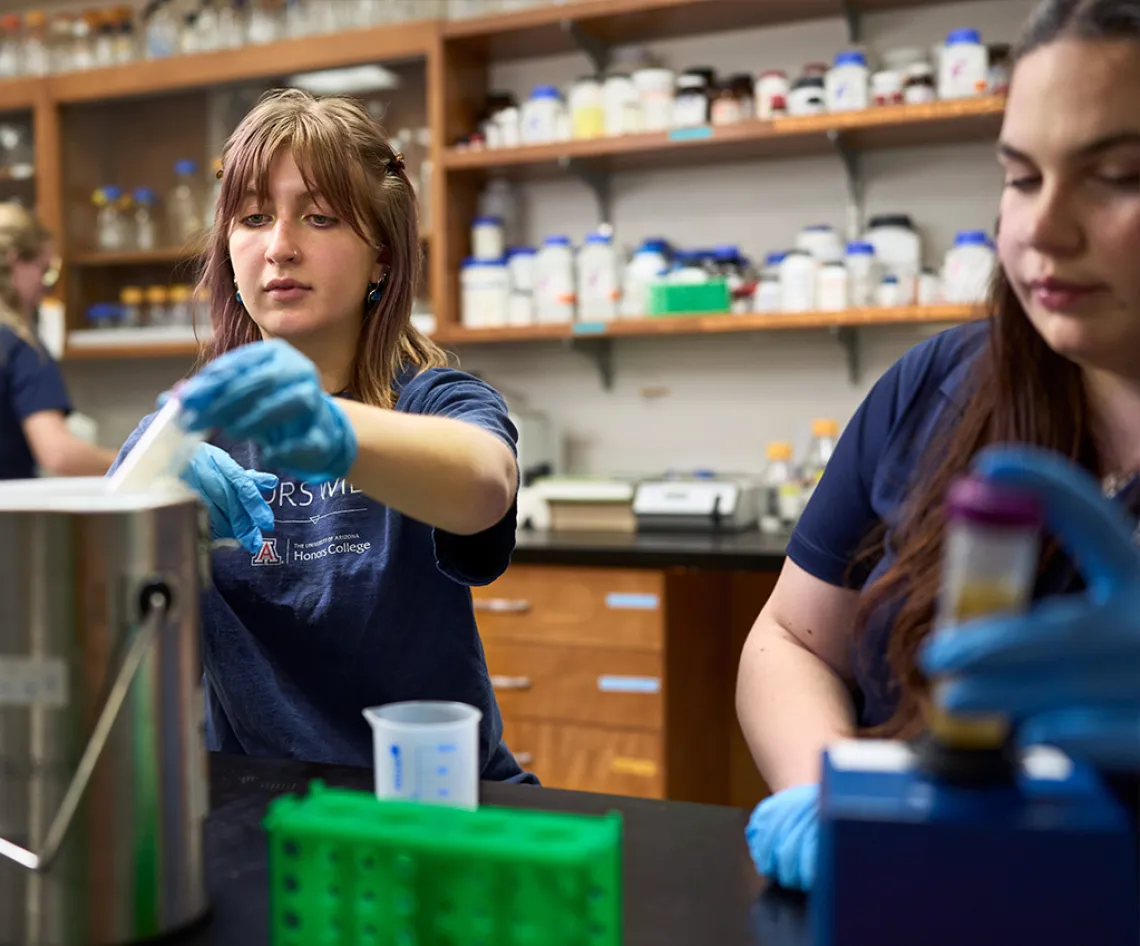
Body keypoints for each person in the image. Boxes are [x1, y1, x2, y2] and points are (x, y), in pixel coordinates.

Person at [737, 0, 1140, 891]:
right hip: (912, 896)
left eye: (1115, 175)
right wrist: (833, 799)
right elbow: (790, 640)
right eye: (1022, 177)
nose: (1042, 229)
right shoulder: (936, 387)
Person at [112, 89, 534, 783]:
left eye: (321, 217)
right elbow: (96, 647)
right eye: (252, 217)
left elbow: (484, 484)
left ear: (383, 259)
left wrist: (331, 427)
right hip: (261, 811)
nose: (279, 247)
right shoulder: (185, 432)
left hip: (431, 801)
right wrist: (150, 512)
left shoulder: (432, 400)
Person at [0, 204, 117, 479]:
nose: (45, 287)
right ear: (16, 261)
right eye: (45, 271)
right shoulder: (18, 349)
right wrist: (132, 461)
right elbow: (58, 454)